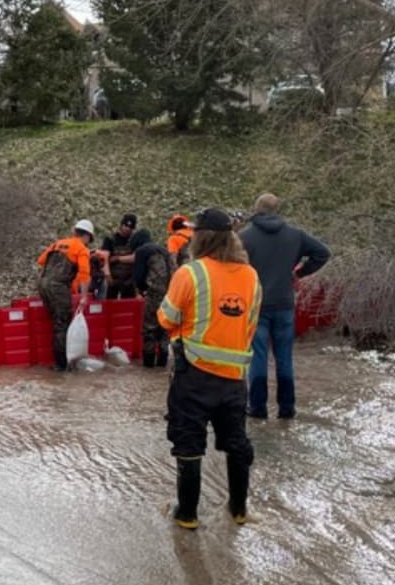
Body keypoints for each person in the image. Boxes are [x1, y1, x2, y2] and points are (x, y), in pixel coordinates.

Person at [158, 208, 262, 530]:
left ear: (199, 237)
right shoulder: (251, 276)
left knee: (189, 443)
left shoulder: (190, 274)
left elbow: (166, 319)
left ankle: (187, 515)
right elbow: (250, 325)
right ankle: (239, 509)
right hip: (233, 379)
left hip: (194, 376)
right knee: (236, 442)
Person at [239, 192, 331, 419]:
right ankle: (287, 408)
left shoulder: (244, 237)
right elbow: (323, 253)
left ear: (256, 209)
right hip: (284, 303)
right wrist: (299, 272)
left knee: (258, 355)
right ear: (277, 210)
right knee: (284, 357)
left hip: (257, 303)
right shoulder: (295, 235)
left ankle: (258, 408)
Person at [36, 219, 94, 371]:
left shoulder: (57, 244)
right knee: (62, 325)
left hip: (43, 285)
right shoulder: (82, 249)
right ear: (87, 236)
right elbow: (84, 274)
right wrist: (83, 297)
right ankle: (62, 366)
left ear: (75, 231)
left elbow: (41, 261)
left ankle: (60, 362)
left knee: (57, 323)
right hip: (58, 288)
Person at [128, 227, 173, 368]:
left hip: (154, 294)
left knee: (149, 329)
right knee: (164, 329)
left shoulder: (142, 251)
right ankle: (162, 363)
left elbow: (138, 276)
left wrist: (142, 290)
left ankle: (148, 366)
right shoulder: (163, 250)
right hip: (171, 295)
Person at [102, 214, 137, 299]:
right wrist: (107, 275)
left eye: (131, 228)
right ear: (121, 225)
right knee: (110, 305)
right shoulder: (110, 239)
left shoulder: (134, 240)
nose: (127, 229)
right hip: (113, 278)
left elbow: (135, 257)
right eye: (126, 226)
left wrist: (117, 259)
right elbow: (104, 258)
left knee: (128, 307)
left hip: (128, 280)